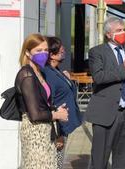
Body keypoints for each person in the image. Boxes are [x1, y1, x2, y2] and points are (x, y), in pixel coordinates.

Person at [85, 17, 125, 169]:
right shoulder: (96, 52)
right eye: (119, 30)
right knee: (100, 158)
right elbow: (99, 77)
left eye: (123, 30)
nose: (123, 33)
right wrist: (124, 67)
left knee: (122, 158)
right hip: (105, 113)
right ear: (109, 34)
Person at [15, 33, 68, 168]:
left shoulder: (39, 72)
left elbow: (43, 102)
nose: (43, 54)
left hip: (46, 130)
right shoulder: (26, 74)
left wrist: (56, 110)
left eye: (45, 50)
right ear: (27, 52)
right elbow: (35, 114)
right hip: (35, 133)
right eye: (38, 50)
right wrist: (57, 115)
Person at [41, 36, 82, 169]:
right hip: (57, 128)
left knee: (58, 160)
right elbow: (50, 104)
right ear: (52, 55)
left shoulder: (56, 70)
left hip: (63, 126)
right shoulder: (48, 73)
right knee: (55, 163)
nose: (63, 51)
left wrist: (67, 79)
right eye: (61, 50)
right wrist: (58, 135)